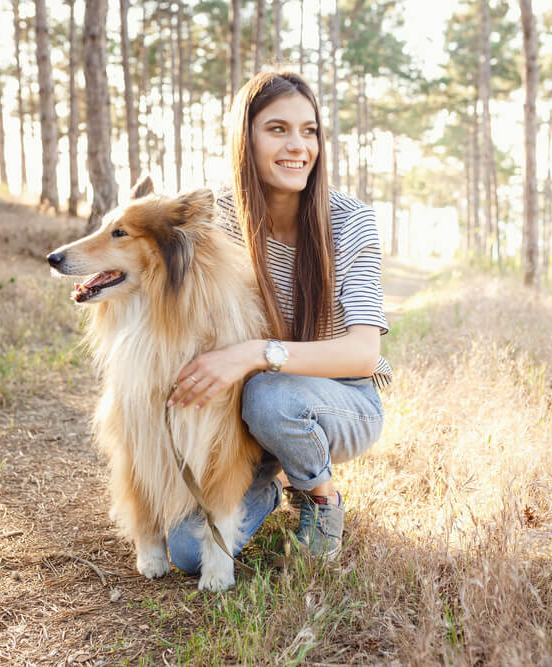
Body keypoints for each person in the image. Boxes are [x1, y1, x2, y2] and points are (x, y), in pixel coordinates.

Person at [165, 70, 392, 573]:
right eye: (277, 129)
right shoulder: (218, 217)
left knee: (271, 395)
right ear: (245, 138)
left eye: (309, 131)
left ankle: (320, 497)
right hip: (242, 415)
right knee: (185, 553)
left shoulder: (350, 221)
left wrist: (253, 353)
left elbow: (363, 352)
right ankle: (271, 485)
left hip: (340, 399)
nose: (298, 146)